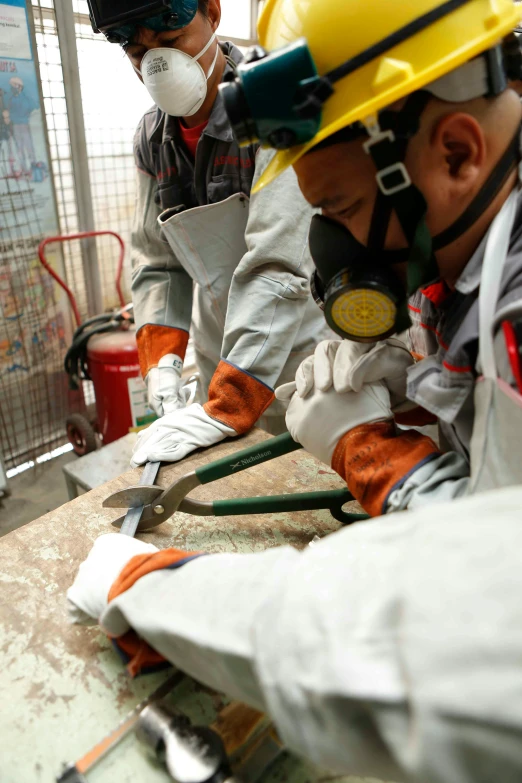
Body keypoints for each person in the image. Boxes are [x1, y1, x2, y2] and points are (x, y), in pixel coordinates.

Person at [68, 1, 522, 781]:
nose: (332, 252)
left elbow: (469, 622)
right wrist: (417, 368)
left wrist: (166, 590)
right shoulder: (468, 239)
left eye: (341, 212)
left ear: (456, 154)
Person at [86, 0, 332, 468]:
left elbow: (277, 265)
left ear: (213, 14)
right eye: (138, 54)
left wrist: (229, 402)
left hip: (303, 349)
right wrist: (162, 364)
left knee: (307, 474)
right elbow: (158, 262)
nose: (157, 66)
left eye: (172, 42)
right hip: (221, 351)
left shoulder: (272, 102)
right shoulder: (151, 140)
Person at [7, 77, 36, 174]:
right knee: (19, 148)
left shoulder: (25, 99)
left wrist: (16, 116)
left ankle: (33, 167)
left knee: (28, 147)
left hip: (24, 125)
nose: (12, 88)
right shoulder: (12, 99)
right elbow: (10, 112)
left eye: (14, 85)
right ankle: (23, 168)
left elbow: (27, 109)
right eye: (11, 86)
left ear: (19, 87)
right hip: (15, 126)